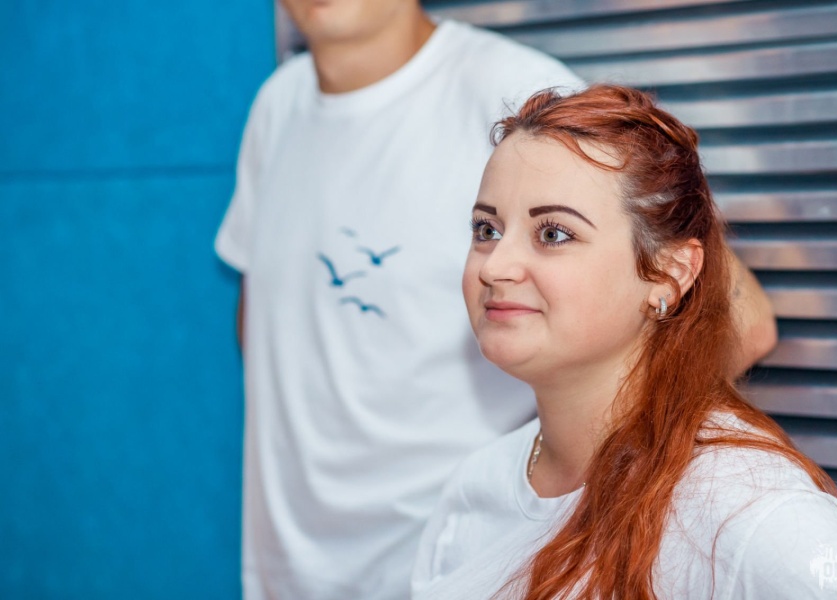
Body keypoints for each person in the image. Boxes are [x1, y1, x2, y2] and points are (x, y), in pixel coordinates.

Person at [215, 1, 776, 597]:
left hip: (460, 568)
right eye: (484, 231)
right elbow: (269, 323)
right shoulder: (278, 105)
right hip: (288, 571)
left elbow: (740, 322)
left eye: (550, 234)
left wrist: (563, 504)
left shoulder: (511, 92)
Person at [412, 85, 837, 599]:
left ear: (670, 273)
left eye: (553, 234)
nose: (496, 266)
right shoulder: (476, 487)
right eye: (486, 230)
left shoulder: (741, 503)